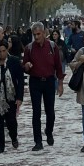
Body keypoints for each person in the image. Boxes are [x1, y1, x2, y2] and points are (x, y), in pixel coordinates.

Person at [22, 20, 64, 151]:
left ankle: (49, 130)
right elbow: (24, 65)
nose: (36, 37)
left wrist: (60, 84)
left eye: (39, 34)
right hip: (35, 81)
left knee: (50, 111)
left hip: (50, 81)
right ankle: (38, 141)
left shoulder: (52, 46)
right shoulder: (29, 48)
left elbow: (58, 65)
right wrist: (27, 66)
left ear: (45, 33)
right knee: (36, 112)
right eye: (34, 34)